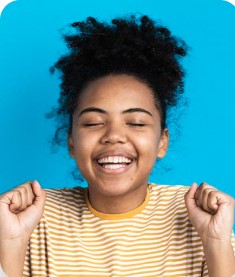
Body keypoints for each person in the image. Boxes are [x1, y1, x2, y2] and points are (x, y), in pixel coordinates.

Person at [0, 15, 234, 277]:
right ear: (71, 143)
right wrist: (11, 241)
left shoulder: (199, 217)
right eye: (93, 123)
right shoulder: (31, 217)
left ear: (162, 142)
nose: (114, 136)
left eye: (135, 122)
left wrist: (216, 242)